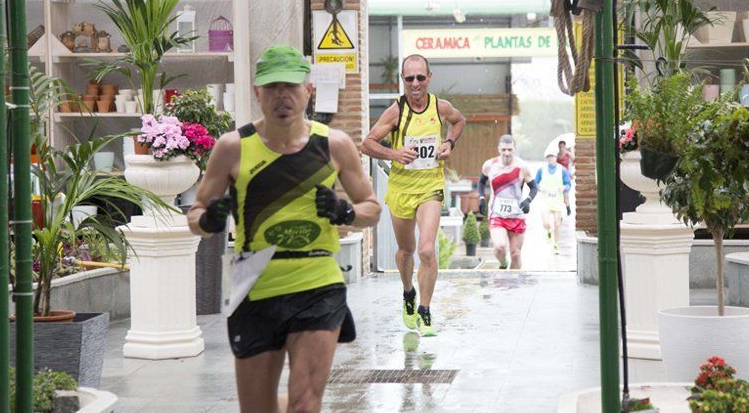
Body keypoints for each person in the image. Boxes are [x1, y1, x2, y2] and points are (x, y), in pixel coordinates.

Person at [187, 45, 381, 413]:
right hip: (256, 284)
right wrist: (208, 221)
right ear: (257, 93)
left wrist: (344, 212)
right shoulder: (232, 148)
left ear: (308, 89)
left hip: (317, 282)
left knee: (305, 404)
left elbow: (372, 209)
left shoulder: (334, 145)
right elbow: (196, 213)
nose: (282, 96)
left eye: (290, 86)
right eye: (272, 87)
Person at [361, 54, 465, 337]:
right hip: (402, 189)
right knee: (406, 250)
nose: (416, 83)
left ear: (429, 78)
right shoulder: (396, 111)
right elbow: (367, 144)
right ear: (403, 80)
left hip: (430, 186)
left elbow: (459, 121)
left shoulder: (440, 107)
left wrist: (449, 143)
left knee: (427, 249)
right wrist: (394, 153)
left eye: (421, 77)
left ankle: (425, 309)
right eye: (410, 78)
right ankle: (408, 293)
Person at [478, 135, 538, 270]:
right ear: (498, 149)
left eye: (510, 150)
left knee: (516, 254)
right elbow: (481, 182)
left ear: (514, 149)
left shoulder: (522, 167)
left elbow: (534, 187)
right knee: (500, 247)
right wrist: (481, 198)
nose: (507, 153)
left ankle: (513, 287)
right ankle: (503, 263)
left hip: (517, 215)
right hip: (497, 214)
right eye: (504, 149)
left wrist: (528, 200)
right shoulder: (489, 165)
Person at [536, 152, 572, 253]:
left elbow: (568, 184)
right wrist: (540, 188)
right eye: (548, 157)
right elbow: (535, 183)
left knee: (557, 223)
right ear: (546, 159)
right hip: (545, 200)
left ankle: (555, 245)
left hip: (557, 200)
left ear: (556, 157)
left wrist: (564, 187)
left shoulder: (562, 170)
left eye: (552, 156)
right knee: (546, 223)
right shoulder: (541, 170)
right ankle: (548, 230)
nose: (551, 159)